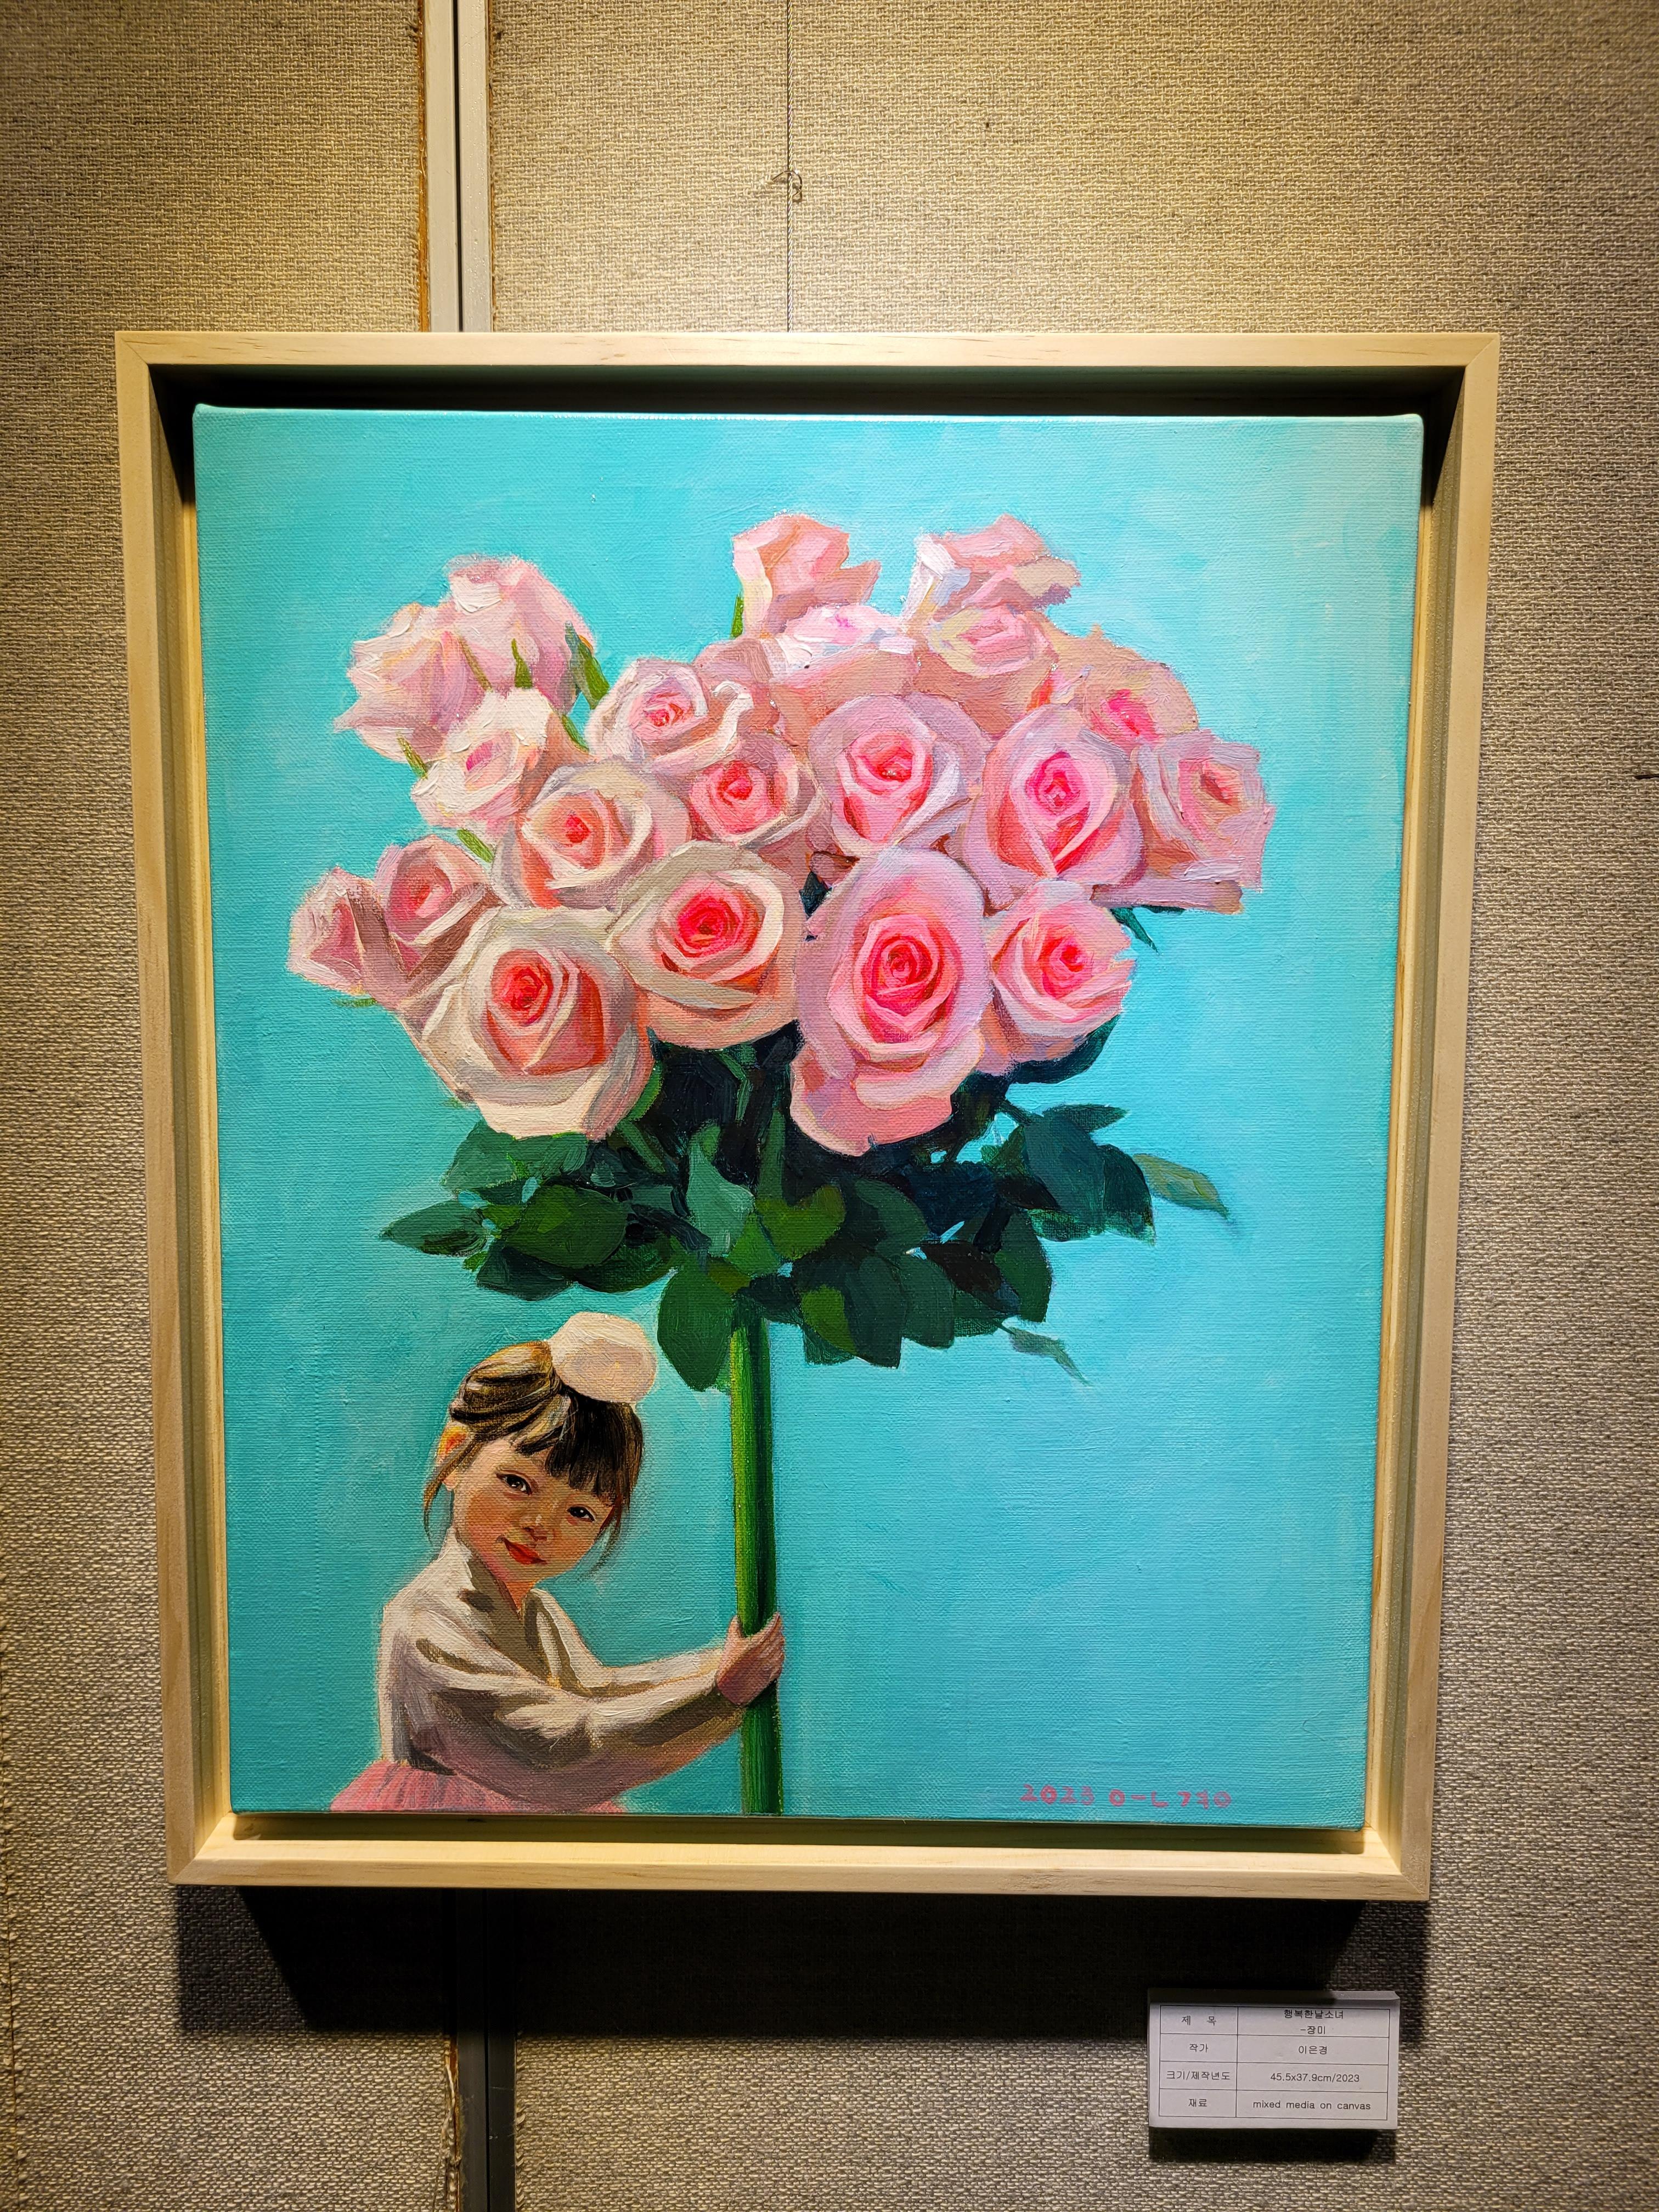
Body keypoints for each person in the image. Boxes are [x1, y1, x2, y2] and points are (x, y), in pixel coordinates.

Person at [332, 1312, 785, 1813]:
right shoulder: (426, 1621)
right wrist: (716, 1697)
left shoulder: (539, 1613)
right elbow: (551, 1752)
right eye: (518, 1483)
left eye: (579, 1512)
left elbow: (599, 1691)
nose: (541, 1525)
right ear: (456, 1453)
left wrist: (716, 1669)